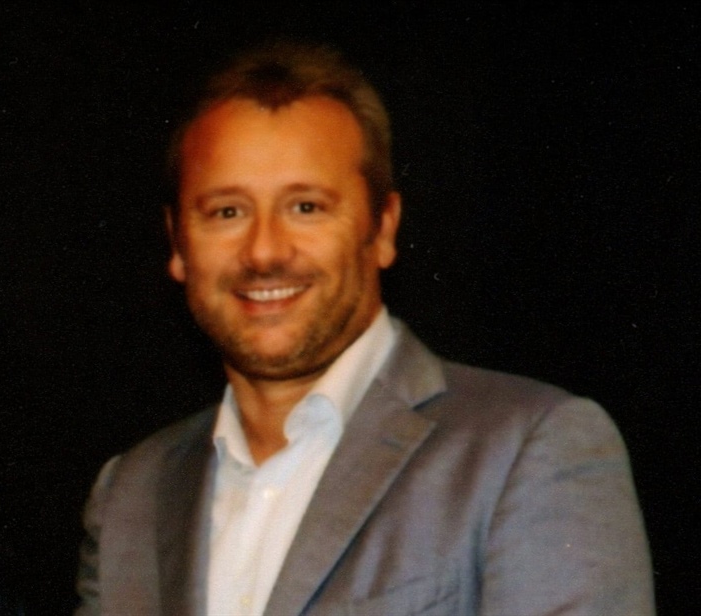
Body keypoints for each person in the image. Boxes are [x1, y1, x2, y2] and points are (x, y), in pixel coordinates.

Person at [75, 42, 654, 615]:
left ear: (382, 228)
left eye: (306, 207)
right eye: (227, 211)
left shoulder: (526, 451)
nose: (264, 251)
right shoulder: (131, 496)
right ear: (178, 243)